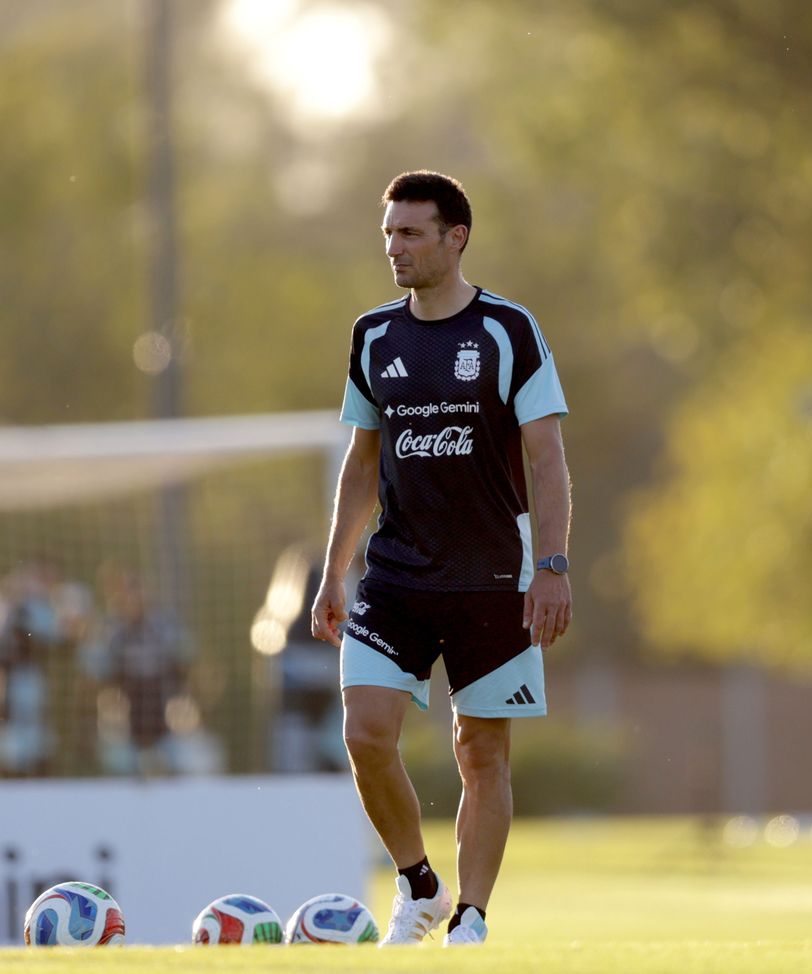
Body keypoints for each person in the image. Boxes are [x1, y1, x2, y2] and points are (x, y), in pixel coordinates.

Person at [310, 170, 572, 948]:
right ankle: (419, 885)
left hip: (494, 577)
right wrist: (334, 570)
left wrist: (552, 566)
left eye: (411, 232)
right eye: (389, 232)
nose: (395, 247)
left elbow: (548, 459)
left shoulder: (508, 331)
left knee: (480, 750)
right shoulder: (373, 336)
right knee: (364, 735)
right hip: (394, 577)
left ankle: (472, 918)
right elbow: (362, 462)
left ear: (456, 237)